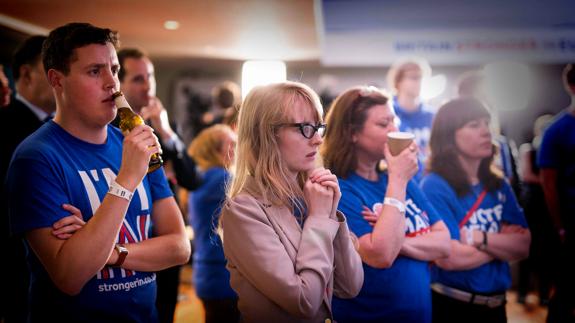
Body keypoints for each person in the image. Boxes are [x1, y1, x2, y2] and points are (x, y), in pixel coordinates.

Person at [5, 22, 191, 322]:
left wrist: (109, 253)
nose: (112, 83)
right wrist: (127, 178)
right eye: (95, 71)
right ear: (57, 80)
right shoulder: (35, 158)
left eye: (114, 70)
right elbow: (70, 275)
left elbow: (179, 247)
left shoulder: (137, 143)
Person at [220, 81, 363, 322]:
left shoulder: (311, 196)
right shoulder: (243, 210)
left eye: (318, 127)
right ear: (266, 134)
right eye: (305, 128)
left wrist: (332, 214)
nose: (317, 140)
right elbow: (304, 302)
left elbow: (350, 285)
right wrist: (319, 219)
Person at [320, 86, 450, 322]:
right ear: (352, 133)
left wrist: (396, 239)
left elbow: (444, 242)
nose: (395, 130)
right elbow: (381, 255)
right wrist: (398, 179)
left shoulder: (401, 180)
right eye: (383, 124)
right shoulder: (339, 188)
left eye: (395, 121)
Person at [420, 97, 530, 323]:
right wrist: (501, 244)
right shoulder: (434, 185)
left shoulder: (498, 184)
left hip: (497, 307)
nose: (486, 131)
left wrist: (476, 237)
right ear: (449, 135)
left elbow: (524, 245)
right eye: (473, 125)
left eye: (486, 123)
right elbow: (449, 258)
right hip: (453, 307)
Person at [116, 47, 199, 323]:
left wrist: (165, 132)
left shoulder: (163, 123)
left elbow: (192, 178)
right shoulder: (109, 128)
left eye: (149, 77)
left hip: (167, 231)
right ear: (120, 84)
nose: (148, 85)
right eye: (138, 79)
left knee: (165, 311)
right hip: (128, 237)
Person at [0, 35, 58, 323]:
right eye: (51, 70)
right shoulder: (6, 124)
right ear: (26, 73)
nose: (60, 79)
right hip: (16, 266)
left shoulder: (65, 129)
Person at [187, 124, 239, 323]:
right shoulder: (220, 178)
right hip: (221, 275)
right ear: (215, 150)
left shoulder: (203, 177)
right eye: (232, 144)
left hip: (208, 272)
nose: (237, 148)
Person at [538, 63, 575, 322]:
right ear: (571, 87)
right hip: (572, 225)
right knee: (566, 292)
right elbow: (548, 184)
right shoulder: (556, 130)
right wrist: (560, 227)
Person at [516, 114, 556, 306]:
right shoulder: (528, 149)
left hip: (547, 205)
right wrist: (550, 181)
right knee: (528, 249)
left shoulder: (554, 150)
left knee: (547, 251)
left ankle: (543, 294)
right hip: (532, 204)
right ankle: (523, 292)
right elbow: (527, 175)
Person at [386, 57, 435, 181]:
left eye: (421, 77)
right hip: (397, 180)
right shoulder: (388, 114)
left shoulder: (432, 115)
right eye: (413, 77)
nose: (419, 82)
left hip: (427, 181)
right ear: (398, 81)